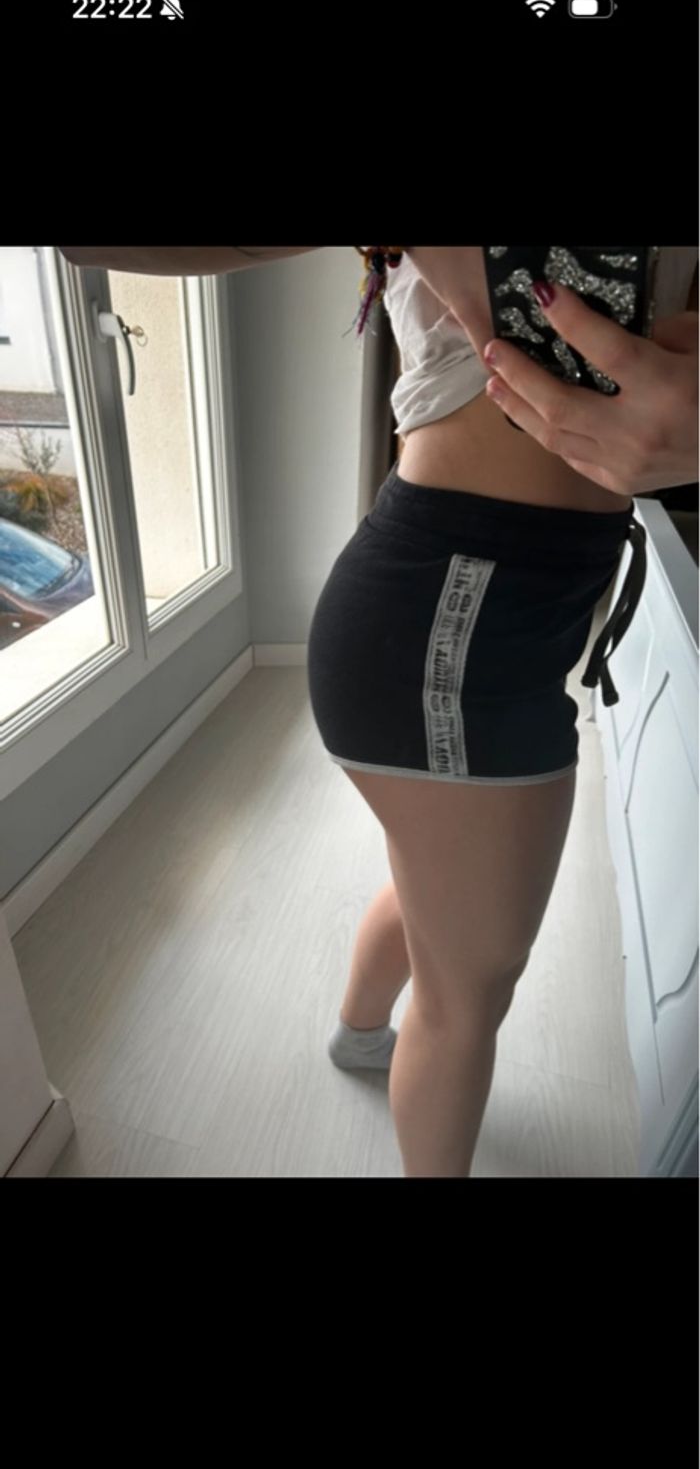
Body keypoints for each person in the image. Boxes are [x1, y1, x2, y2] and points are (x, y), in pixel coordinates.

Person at [58, 245, 699, 1177]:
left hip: (464, 615)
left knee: (437, 895)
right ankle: (374, 1045)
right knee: (468, 995)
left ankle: (359, 1036)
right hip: (454, 624)